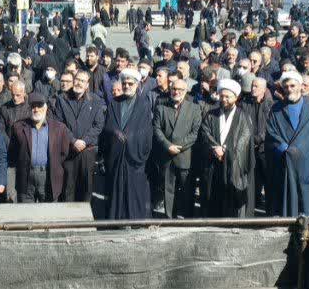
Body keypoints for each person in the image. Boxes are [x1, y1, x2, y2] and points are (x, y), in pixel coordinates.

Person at [265, 71, 309, 218]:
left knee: (306, 203)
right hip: (284, 163)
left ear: (300, 86)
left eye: (292, 86)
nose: (289, 89)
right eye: (286, 87)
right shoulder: (276, 109)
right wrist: (285, 148)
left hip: (306, 163)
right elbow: (271, 134)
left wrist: (298, 150)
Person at [98, 68, 154, 220]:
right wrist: (115, 132)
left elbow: (146, 131)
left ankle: (135, 220)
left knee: (134, 191)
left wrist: (131, 136)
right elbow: (107, 126)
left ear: (137, 85)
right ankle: (115, 221)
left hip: (133, 156)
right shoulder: (114, 103)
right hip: (116, 156)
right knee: (115, 191)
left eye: (130, 83)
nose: (127, 86)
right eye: (124, 83)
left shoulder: (144, 104)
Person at [200, 79, 256, 218]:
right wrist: (215, 148)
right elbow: (205, 133)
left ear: (236, 97)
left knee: (231, 203)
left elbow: (245, 139)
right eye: (222, 96)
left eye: (227, 96)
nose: (224, 99)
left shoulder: (243, 116)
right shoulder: (211, 114)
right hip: (214, 164)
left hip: (233, 166)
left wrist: (226, 150)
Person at [152, 78, 203, 218]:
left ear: (186, 91)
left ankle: (187, 217)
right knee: (168, 189)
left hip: (185, 156)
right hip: (167, 155)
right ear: (170, 89)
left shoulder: (194, 108)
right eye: (174, 89)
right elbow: (156, 129)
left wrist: (179, 147)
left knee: (187, 189)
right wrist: (168, 145)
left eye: (180, 89)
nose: (177, 92)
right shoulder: (161, 107)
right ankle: (170, 217)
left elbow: (195, 133)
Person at [53, 70, 105, 203]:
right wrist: (73, 140)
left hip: (88, 151)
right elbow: (59, 124)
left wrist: (84, 141)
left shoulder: (96, 101)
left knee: (86, 188)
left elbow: (98, 125)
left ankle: (85, 215)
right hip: (69, 150)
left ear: (87, 85)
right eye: (77, 79)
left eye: (82, 81)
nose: (79, 83)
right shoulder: (62, 99)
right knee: (68, 188)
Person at [10, 93, 72, 203]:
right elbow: (13, 153)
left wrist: (53, 164)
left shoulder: (59, 128)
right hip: (26, 177)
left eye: (39, 106)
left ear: (46, 107)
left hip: (48, 177)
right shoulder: (18, 127)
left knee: (48, 211)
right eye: (33, 106)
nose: (36, 109)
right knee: (25, 211)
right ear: (29, 108)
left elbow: (64, 152)